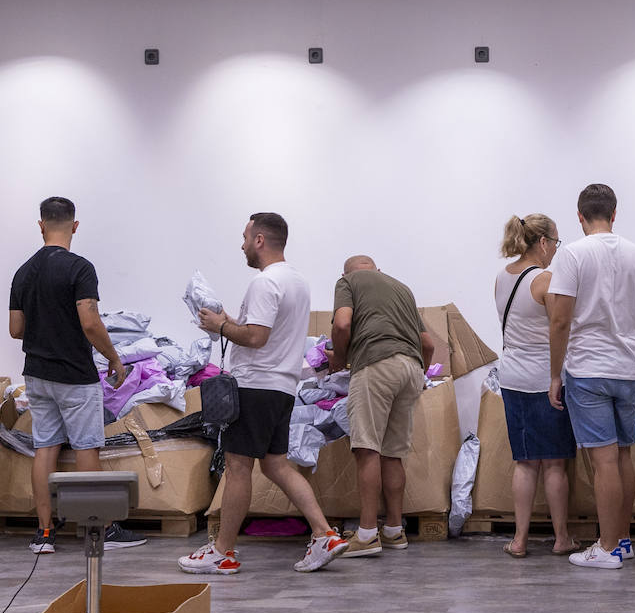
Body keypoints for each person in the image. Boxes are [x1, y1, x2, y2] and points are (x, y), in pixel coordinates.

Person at [179, 212, 347, 574]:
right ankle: (324, 533)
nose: (241, 244)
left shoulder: (264, 283)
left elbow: (256, 338)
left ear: (259, 240)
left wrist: (220, 326)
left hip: (255, 386)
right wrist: (227, 320)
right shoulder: (297, 282)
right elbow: (262, 331)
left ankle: (222, 552)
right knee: (275, 465)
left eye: (244, 237)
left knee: (238, 468)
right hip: (283, 388)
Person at [8, 196, 144, 554]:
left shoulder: (23, 271)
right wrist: (114, 358)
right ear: (75, 226)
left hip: (37, 374)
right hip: (75, 375)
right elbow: (90, 322)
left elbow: (15, 328)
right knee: (87, 446)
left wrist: (45, 324)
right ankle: (99, 531)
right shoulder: (80, 268)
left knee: (45, 448)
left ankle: (44, 534)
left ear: (41, 226)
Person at [547, 184, 635, 570]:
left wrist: (554, 374)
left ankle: (607, 548)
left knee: (603, 462)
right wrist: (630, 356)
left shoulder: (572, 255)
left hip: (588, 368)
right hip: (627, 368)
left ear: (579, 216)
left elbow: (560, 320)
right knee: (623, 455)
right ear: (614, 213)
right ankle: (622, 541)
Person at [329, 255, 436, 558]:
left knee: (367, 449)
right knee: (393, 454)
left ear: (345, 273)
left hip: (375, 363)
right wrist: (421, 376)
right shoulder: (402, 289)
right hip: (411, 370)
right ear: (379, 270)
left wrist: (339, 357)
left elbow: (342, 323)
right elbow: (427, 345)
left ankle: (365, 534)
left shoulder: (347, 282)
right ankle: (393, 530)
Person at [494, 214, 579, 559]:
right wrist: (557, 376)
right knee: (555, 464)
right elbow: (560, 328)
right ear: (543, 242)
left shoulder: (500, 277)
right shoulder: (545, 280)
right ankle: (561, 538)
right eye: (556, 243)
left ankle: (519, 540)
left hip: (511, 377)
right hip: (543, 379)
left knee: (525, 462)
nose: (557, 251)